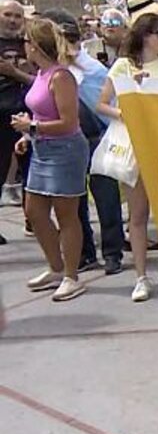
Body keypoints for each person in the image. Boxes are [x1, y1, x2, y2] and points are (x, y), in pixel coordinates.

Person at [95, 13, 158, 301]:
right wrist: (126, 111)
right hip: (135, 145)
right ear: (145, 35)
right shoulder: (124, 65)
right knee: (138, 214)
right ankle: (141, 276)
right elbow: (101, 104)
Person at [41, 9, 124, 276]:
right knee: (73, 202)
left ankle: (112, 252)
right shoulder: (51, 71)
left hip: (97, 137)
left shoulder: (92, 69)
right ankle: (85, 252)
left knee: (106, 197)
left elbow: (106, 104)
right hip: (67, 141)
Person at [18, 19, 91, 302]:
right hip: (42, 148)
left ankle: (72, 276)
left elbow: (69, 122)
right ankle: (56, 267)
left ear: (35, 46)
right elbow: (41, 113)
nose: (23, 46)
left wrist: (32, 127)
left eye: (26, 41)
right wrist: (29, 135)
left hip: (65, 150)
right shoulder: (40, 74)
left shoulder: (61, 77)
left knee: (66, 213)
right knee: (34, 211)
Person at [0, 0, 33, 237]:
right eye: (7, 15)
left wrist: (16, 73)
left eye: (17, 16)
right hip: (1, 112)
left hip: (27, 112)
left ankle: (33, 219)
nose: (12, 20)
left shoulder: (29, 44)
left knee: (31, 171)